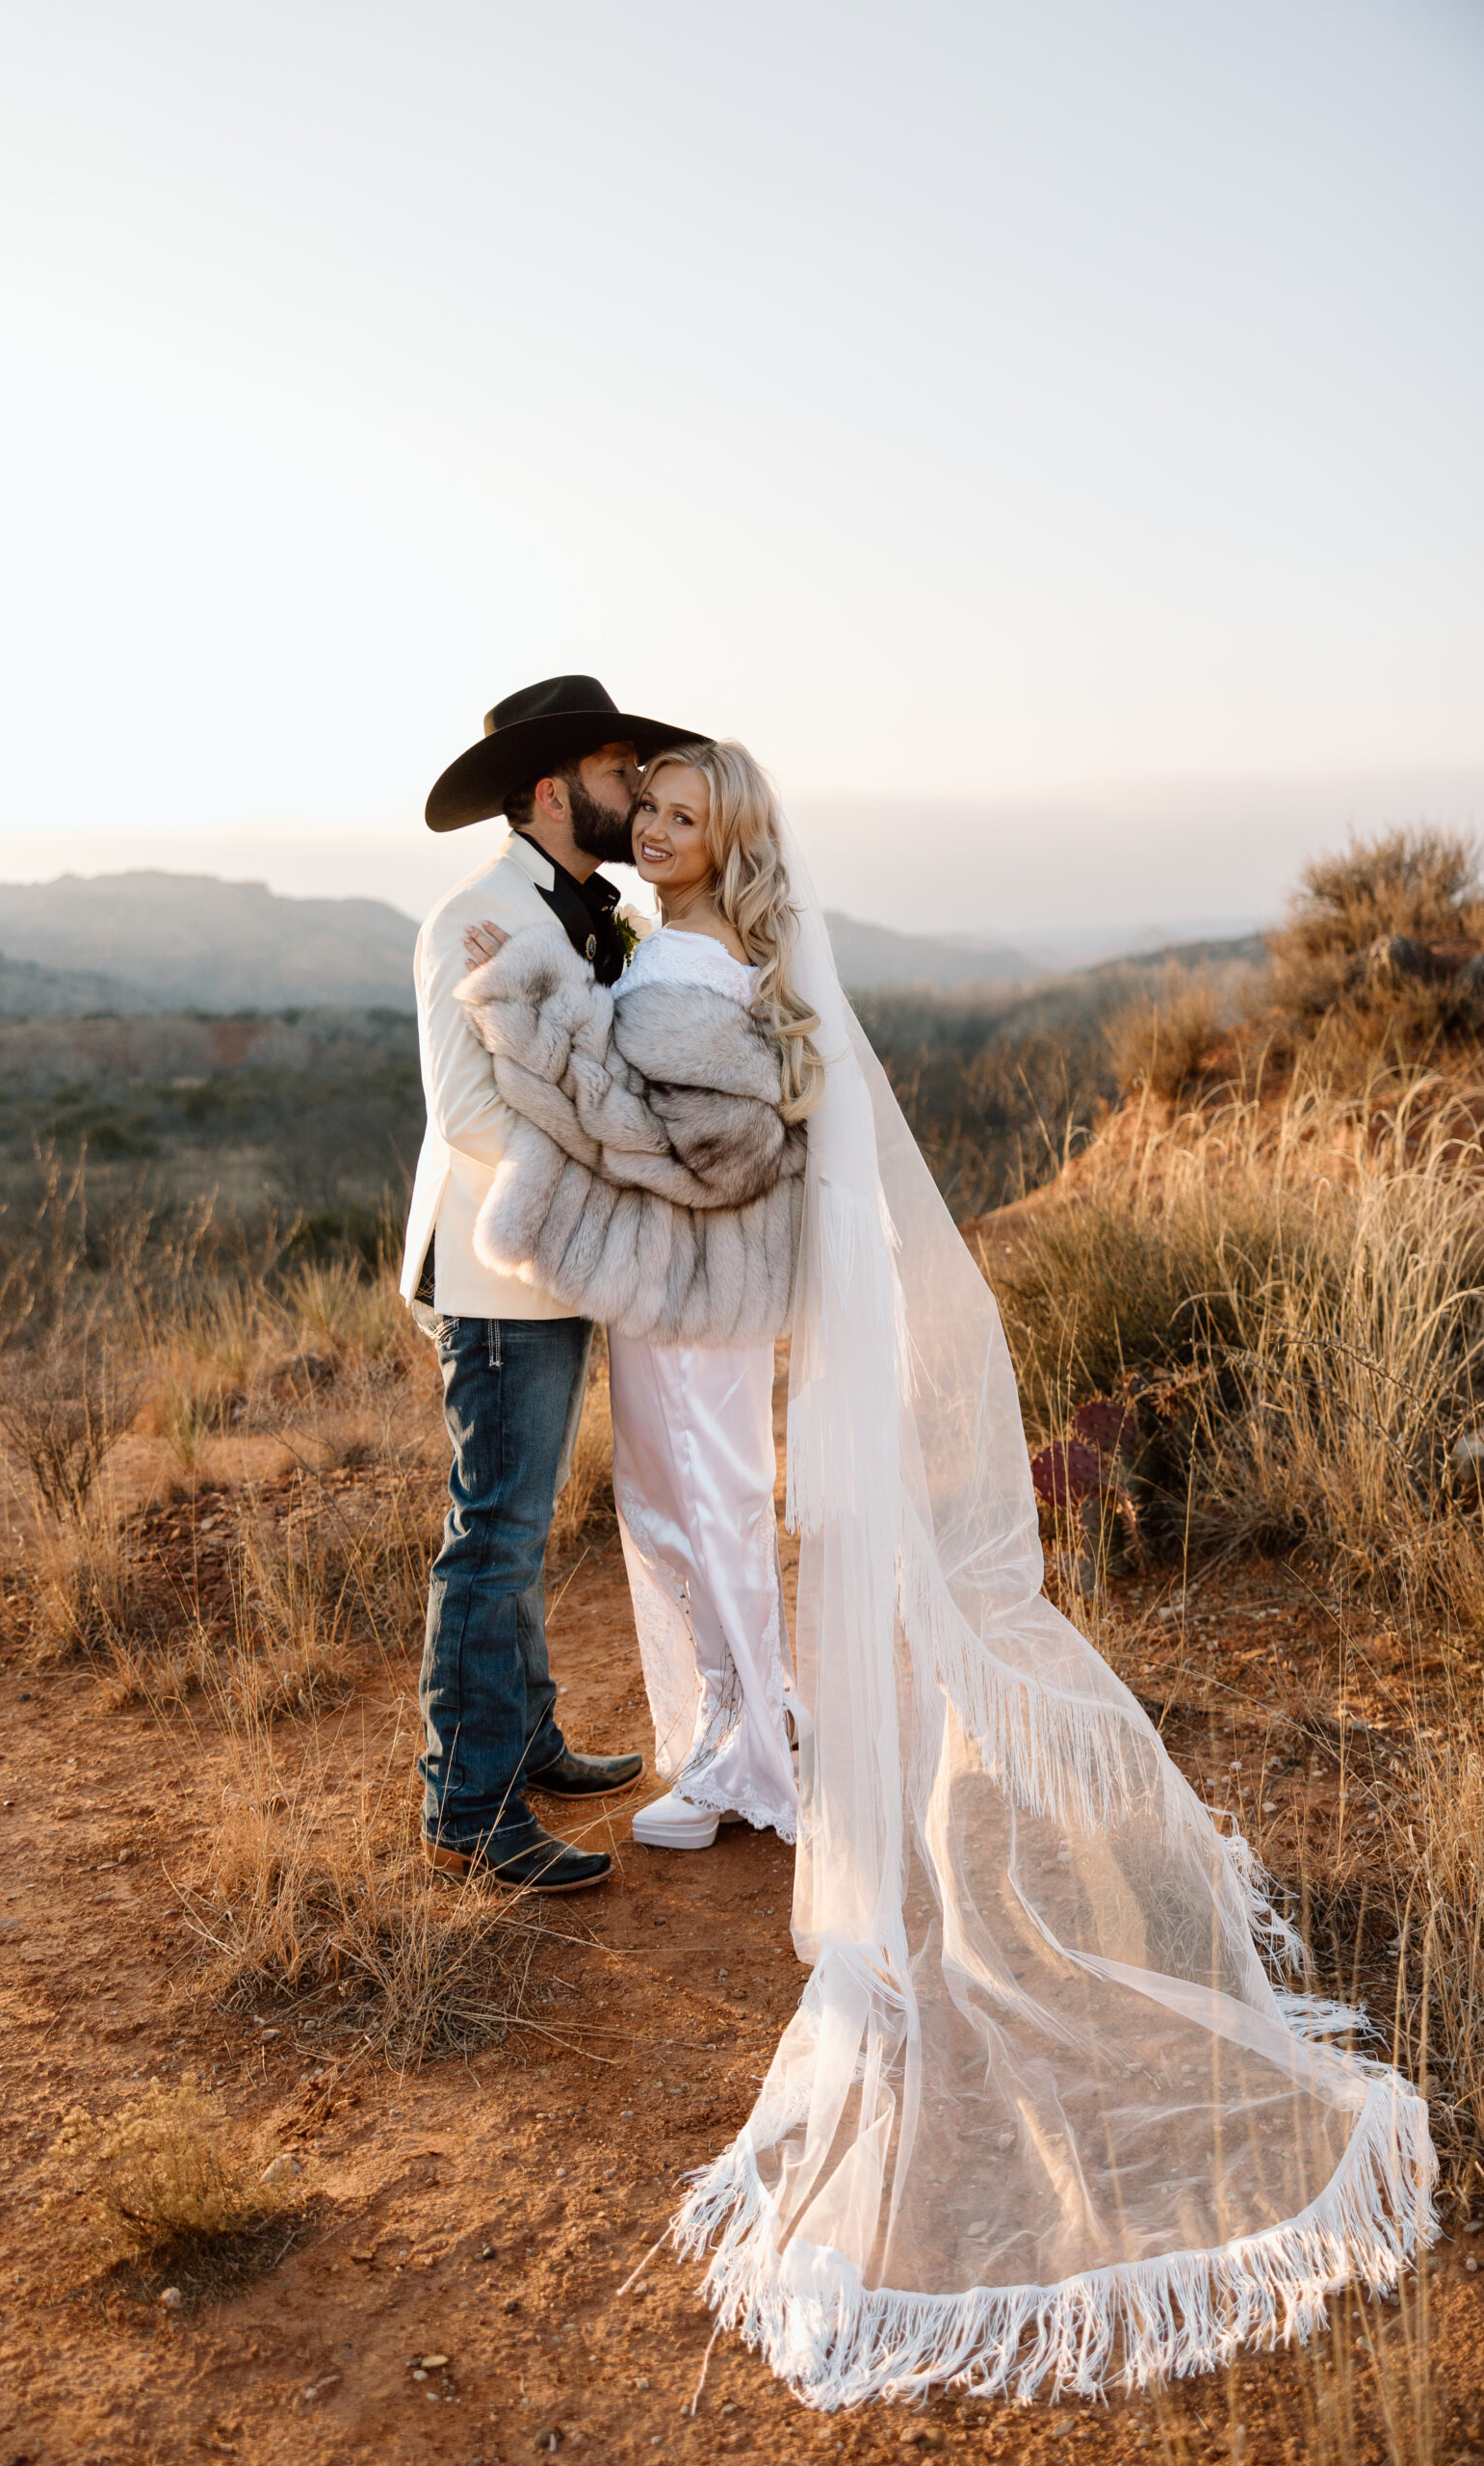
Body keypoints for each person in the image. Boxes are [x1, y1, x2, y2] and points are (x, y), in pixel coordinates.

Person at [452, 735, 1438, 2407]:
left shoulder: (689, 968)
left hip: (728, 1311)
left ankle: (863, 1855)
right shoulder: (726, 959)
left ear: (727, 842)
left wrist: (518, 1002)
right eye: (653, 810)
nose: (660, 830)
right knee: (839, 1575)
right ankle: (818, 1796)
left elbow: (631, 1119)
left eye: (686, 816)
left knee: (825, 1574)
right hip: (765, 1314)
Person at [403, 674, 701, 1895]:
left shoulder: (599, 919)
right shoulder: (468, 918)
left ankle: (526, 1740)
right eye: (619, 771)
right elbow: (467, 1116)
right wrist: (624, 1166)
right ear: (548, 788)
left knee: (522, 1535)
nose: (634, 793)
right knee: (496, 1534)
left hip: (562, 1266)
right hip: (496, 1272)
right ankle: (469, 1807)